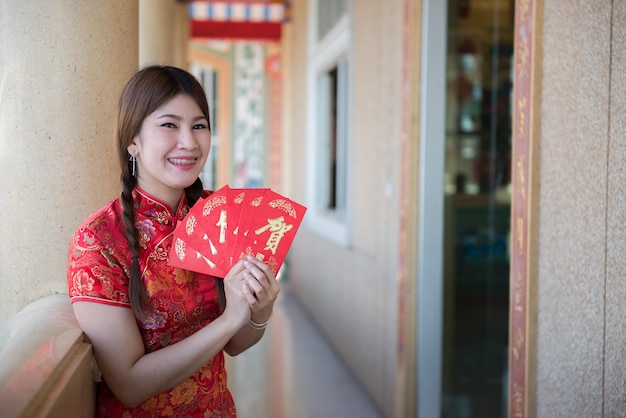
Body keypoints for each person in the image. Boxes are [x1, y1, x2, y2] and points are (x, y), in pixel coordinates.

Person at [67, 65, 280, 417]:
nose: (190, 142)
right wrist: (229, 320)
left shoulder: (221, 217)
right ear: (132, 140)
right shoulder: (98, 241)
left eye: (199, 125)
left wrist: (261, 311)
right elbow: (129, 385)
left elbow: (236, 345)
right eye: (169, 125)